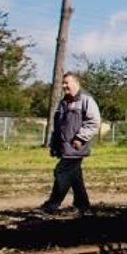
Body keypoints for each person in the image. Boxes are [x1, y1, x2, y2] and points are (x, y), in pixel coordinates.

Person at [40, 72, 101, 216]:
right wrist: (54, 145)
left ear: (76, 83)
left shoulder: (86, 100)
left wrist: (80, 138)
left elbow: (94, 122)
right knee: (74, 176)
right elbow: (58, 125)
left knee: (61, 172)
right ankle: (83, 206)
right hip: (64, 146)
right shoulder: (64, 102)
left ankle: (52, 205)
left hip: (76, 147)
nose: (63, 86)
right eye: (63, 83)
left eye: (66, 83)